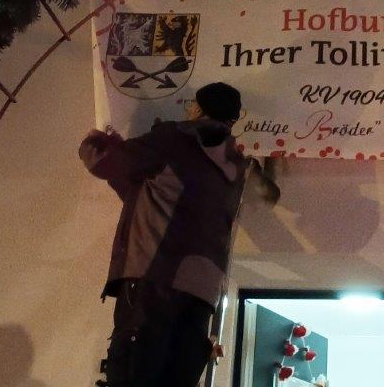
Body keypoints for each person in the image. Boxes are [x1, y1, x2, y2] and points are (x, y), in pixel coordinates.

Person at [79, 82, 277, 387]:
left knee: (133, 372)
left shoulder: (174, 139)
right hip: (202, 294)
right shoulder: (238, 167)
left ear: (197, 108)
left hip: (156, 277)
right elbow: (158, 193)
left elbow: (104, 161)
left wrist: (95, 141)